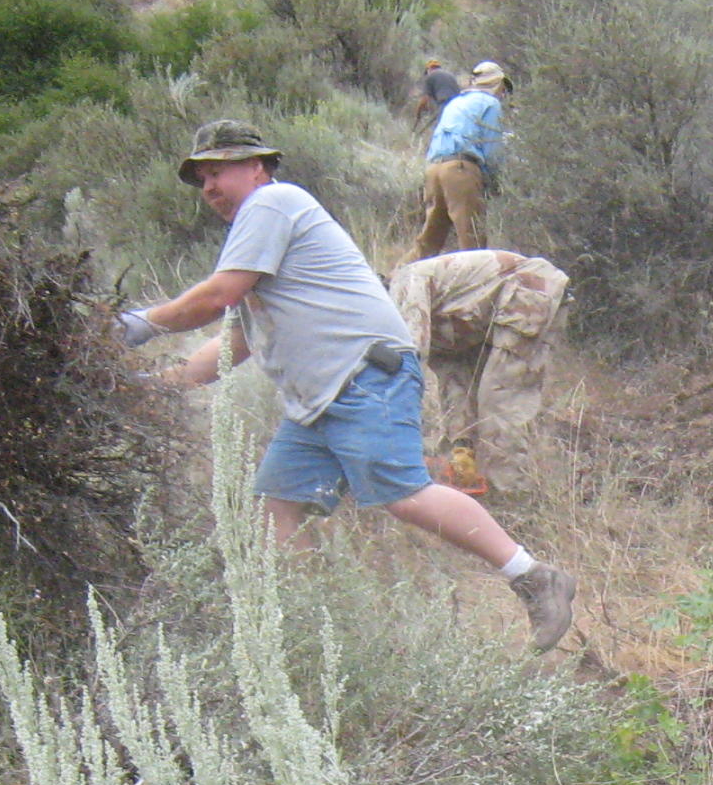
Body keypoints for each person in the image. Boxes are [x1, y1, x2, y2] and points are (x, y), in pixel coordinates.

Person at [118, 119, 576, 651]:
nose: (210, 188)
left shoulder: (273, 204)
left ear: (258, 167)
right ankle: (316, 632)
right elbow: (229, 346)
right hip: (319, 402)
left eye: (219, 171)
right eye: (202, 178)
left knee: (404, 494)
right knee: (276, 508)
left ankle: (534, 576)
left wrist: (138, 324)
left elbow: (217, 294)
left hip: (362, 378)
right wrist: (148, 385)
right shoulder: (257, 237)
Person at [386, 248, 571, 494]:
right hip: (486, 315)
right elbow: (451, 376)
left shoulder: (405, 284)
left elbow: (410, 359)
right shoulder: (424, 310)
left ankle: (512, 495)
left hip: (528, 288)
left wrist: (388, 426)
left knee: (499, 397)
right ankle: (468, 479)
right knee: (459, 398)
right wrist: (460, 445)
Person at [416, 61, 511, 258]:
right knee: (473, 242)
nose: (504, 95)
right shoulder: (491, 103)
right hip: (461, 169)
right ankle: (476, 288)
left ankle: (394, 278)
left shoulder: (456, 101)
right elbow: (492, 147)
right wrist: (494, 183)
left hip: (434, 169)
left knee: (429, 241)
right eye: (503, 89)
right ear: (497, 84)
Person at [410, 55, 463, 137]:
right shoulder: (450, 75)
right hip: (460, 104)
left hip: (445, 103)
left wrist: (418, 113)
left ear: (428, 69)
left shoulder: (430, 77)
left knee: (440, 131)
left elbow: (425, 99)